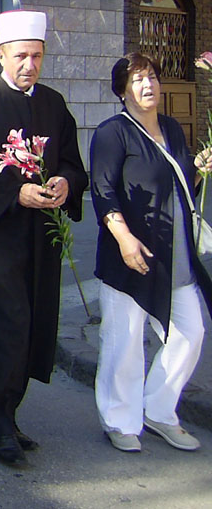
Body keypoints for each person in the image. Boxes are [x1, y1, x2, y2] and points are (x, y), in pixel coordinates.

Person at [0, 9, 88, 467]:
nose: (29, 65)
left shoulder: (54, 104)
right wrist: (16, 192)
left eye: (37, 56)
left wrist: (65, 183)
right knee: (8, 327)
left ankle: (3, 415)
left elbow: (71, 163)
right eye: (21, 56)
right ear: (0, 55)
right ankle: (0, 423)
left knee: (31, 328)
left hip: (41, 240)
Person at [90, 53, 212, 453]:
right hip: (130, 254)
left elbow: (179, 185)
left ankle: (159, 409)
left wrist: (199, 169)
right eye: (138, 79)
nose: (148, 85)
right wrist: (124, 238)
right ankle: (119, 419)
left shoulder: (172, 128)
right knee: (123, 342)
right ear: (122, 91)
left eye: (152, 77)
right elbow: (103, 191)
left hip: (174, 254)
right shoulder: (112, 133)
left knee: (190, 333)